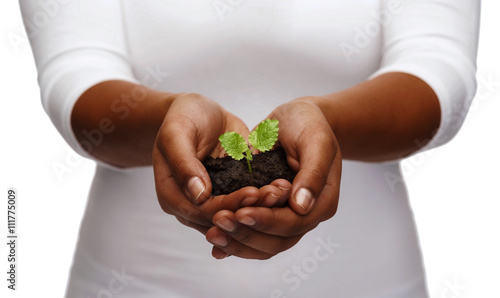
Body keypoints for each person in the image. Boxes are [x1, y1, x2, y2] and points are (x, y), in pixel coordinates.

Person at [21, 0, 480, 297]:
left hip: (366, 283)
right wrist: (169, 120)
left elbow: (439, 73)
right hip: (135, 283)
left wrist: (329, 123)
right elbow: (75, 80)